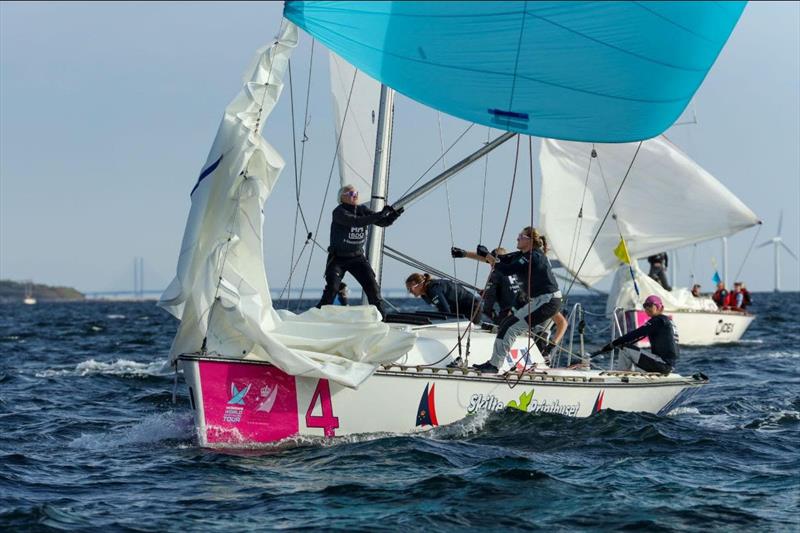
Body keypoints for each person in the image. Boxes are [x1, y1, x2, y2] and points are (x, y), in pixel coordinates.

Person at [453, 226, 562, 373]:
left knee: (510, 327)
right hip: (540, 300)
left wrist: (488, 255)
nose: (517, 238)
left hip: (548, 301)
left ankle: (494, 365)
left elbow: (505, 270)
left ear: (530, 240)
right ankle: (493, 363)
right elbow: (494, 261)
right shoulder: (521, 255)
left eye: (521, 236)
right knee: (506, 325)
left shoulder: (533, 256)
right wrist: (465, 254)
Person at [316, 185, 402, 318]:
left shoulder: (362, 209)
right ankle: (317, 315)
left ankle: (382, 318)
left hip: (357, 259)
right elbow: (356, 222)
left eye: (356, 192)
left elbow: (382, 222)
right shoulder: (339, 212)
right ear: (341, 197)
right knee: (332, 289)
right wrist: (380, 213)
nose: (354, 195)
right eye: (350, 193)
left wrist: (394, 215)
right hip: (338, 259)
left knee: (372, 287)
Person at [595, 294, 679, 374]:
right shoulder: (666, 321)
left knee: (624, 347)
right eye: (645, 305)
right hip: (667, 365)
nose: (647, 308)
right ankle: (627, 374)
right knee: (627, 347)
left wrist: (612, 344)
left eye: (650, 305)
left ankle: (622, 378)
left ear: (659, 307)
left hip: (662, 365)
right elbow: (638, 336)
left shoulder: (657, 320)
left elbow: (636, 334)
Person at [405, 272, 482, 323]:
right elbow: (443, 309)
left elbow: (445, 310)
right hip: (458, 309)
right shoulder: (424, 294)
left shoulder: (433, 290)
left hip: (472, 308)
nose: (410, 291)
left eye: (410, 288)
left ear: (420, 284)